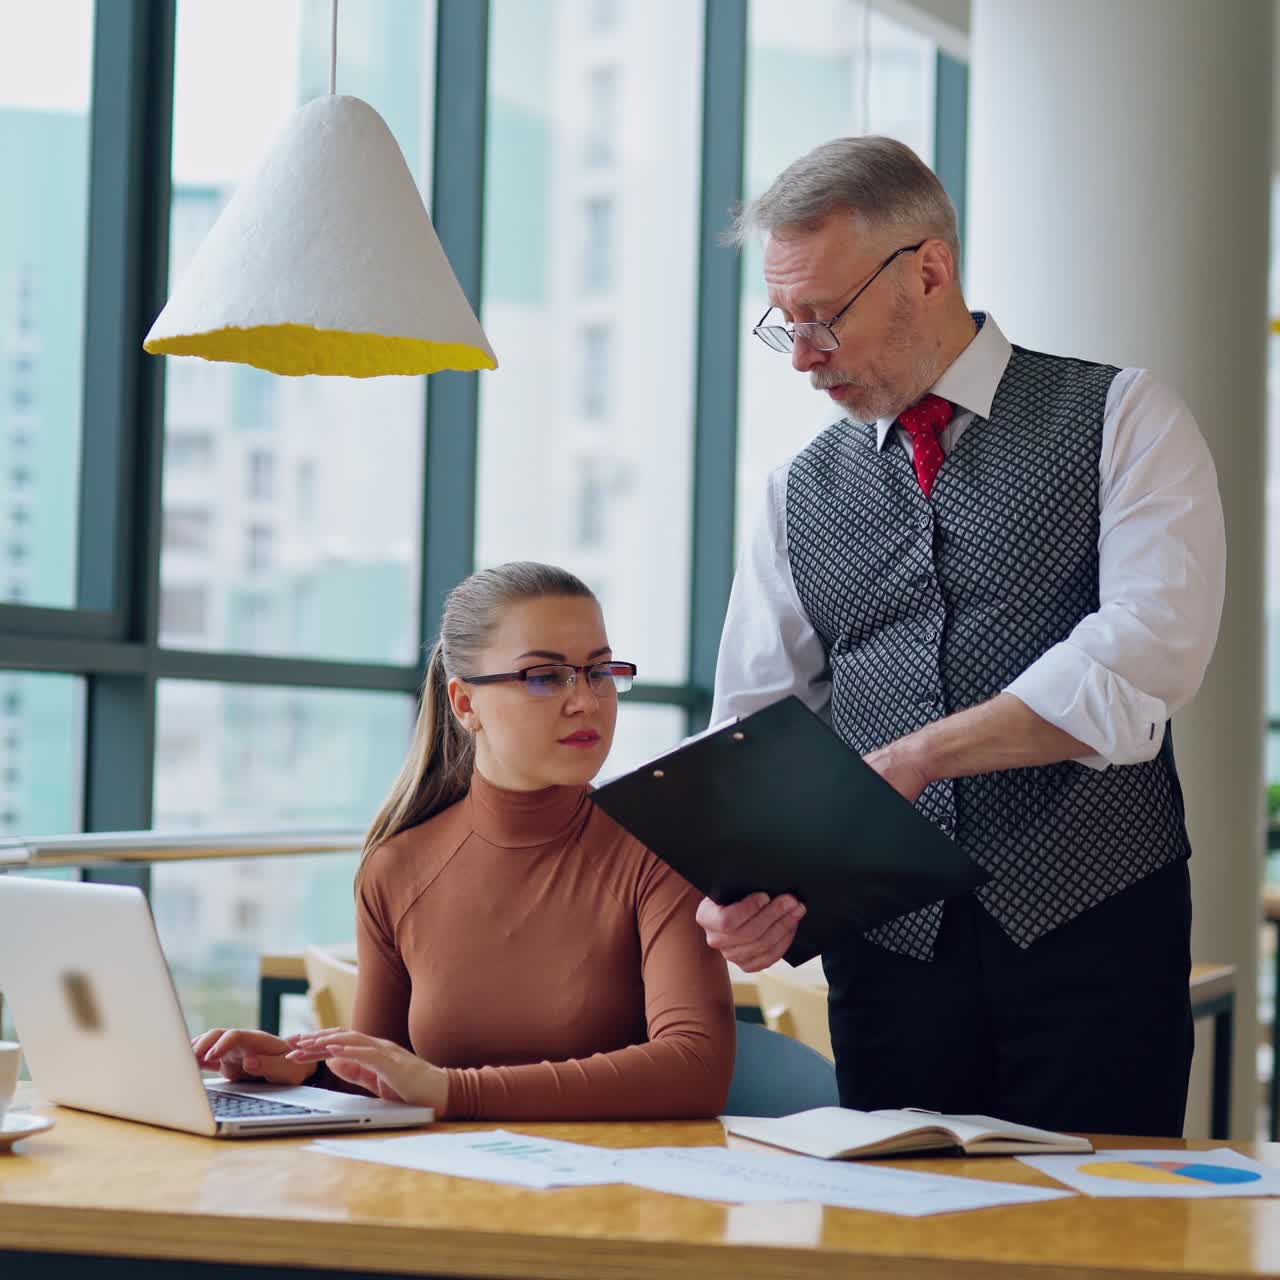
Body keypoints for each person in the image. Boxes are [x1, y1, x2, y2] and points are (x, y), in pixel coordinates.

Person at [696, 136, 1225, 1137]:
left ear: (928, 269)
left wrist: (919, 754)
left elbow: (1147, 650)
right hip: (885, 954)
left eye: (824, 319)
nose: (804, 357)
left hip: (1094, 926)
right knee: (894, 1235)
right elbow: (757, 723)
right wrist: (742, 887)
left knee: (1099, 1235)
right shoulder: (791, 492)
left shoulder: (1119, 415)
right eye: (785, 325)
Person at [193, 562, 735, 1119]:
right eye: (546, 676)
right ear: (465, 703)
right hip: (443, 1195)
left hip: (614, 1198)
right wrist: (300, 1069)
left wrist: (456, 1092)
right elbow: (388, 1081)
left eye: (598, 671)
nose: (586, 701)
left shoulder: (660, 848)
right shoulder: (396, 868)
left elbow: (697, 1068)